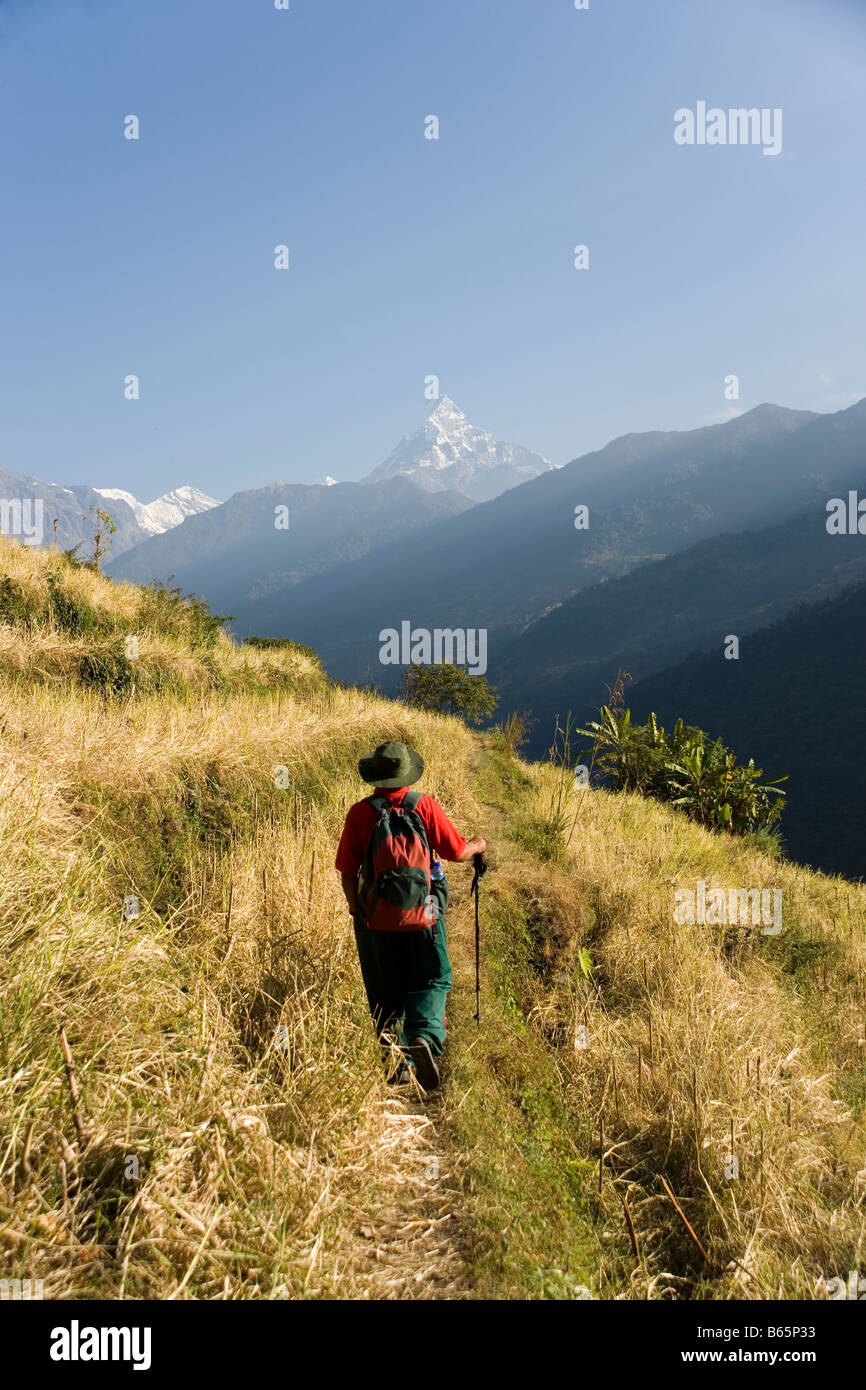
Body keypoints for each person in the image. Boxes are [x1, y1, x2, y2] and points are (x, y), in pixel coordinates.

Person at [335, 740, 486, 1091]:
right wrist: (479, 844)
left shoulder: (360, 814)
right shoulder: (424, 807)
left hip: (375, 919)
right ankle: (424, 1037)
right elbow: (456, 851)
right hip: (425, 913)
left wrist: (356, 910)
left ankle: (396, 1063)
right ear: (407, 774)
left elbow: (346, 871)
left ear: (375, 776)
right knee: (433, 978)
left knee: (383, 988)